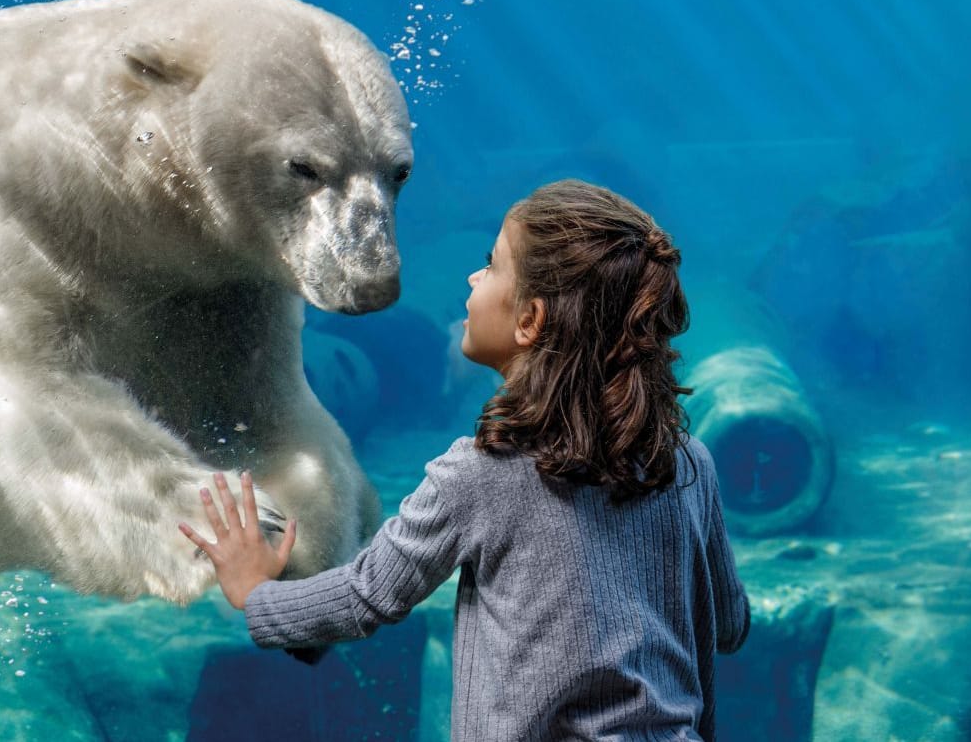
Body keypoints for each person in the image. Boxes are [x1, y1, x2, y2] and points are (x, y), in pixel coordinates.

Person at [178, 179, 750, 741]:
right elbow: (727, 623)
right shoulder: (684, 463)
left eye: (491, 264)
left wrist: (257, 595)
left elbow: (367, 594)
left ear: (530, 320)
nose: (473, 279)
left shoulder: (482, 473)